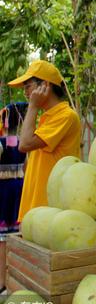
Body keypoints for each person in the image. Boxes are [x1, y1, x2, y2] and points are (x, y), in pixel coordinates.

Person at [8, 60, 81, 221]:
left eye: (28, 86)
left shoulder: (65, 116)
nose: (26, 93)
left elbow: (24, 144)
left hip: (49, 210)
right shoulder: (48, 117)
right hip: (36, 206)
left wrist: (33, 106)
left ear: (45, 86)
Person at [0, 102, 28, 292]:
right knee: (18, 236)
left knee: (2, 239)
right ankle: (18, 281)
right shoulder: (25, 143)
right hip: (20, 189)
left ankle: (2, 281)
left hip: (2, 191)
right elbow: (27, 167)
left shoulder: (2, 143)